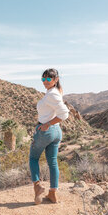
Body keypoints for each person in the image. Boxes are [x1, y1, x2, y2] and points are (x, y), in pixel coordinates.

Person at [29, 68, 69, 204]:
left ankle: (37, 187)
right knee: (52, 162)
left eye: (48, 79)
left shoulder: (52, 94)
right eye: (43, 79)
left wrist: (47, 124)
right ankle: (52, 194)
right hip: (56, 132)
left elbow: (64, 114)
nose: (45, 82)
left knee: (33, 158)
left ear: (55, 79)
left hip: (46, 130)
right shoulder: (56, 92)